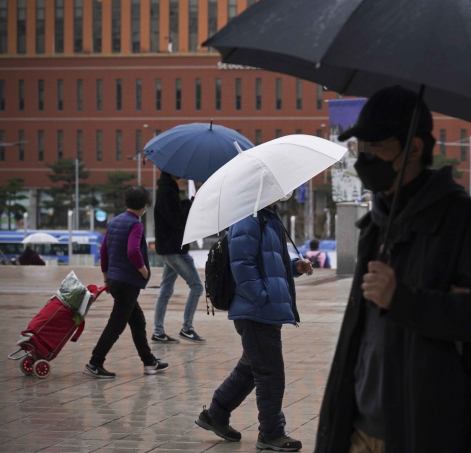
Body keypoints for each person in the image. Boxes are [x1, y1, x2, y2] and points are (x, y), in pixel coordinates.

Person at [314, 86, 471, 453]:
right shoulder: (376, 223)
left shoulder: (466, 222)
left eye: (377, 147)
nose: (366, 157)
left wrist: (402, 300)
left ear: (414, 149)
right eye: (362, 147)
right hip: (357, 424)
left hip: (424, 429)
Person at [196, 201, 313, 452]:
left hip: (265, 309)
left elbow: (269, 260)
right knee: (270, 373)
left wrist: (294, 266)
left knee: (251, 367)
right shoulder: (247, 218)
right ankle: (271, 433)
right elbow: (242, 264)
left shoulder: (269, 217)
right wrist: (261, 297)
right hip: (256, 310)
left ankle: (216, 414)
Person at [84, 186, 168, 379]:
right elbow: (132, 251)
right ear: (144, 205)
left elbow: (103, 251)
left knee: (137, 320)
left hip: (115, 280)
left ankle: (149, 362)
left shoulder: (114, 222)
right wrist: (144, 270)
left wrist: (106, 277)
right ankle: (95, 362)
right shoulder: (135, 224)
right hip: (128, 282)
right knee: (116, 324)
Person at [152, 171, 206, 344]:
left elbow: (174, 215)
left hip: (170, 248)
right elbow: (177, 220)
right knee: (197, 286)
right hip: (175, 249)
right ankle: (187, 329)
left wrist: (188, 203)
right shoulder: (167, 191)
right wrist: (192, 204)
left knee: (166, 289)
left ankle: (158, 332)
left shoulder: (167, 189)